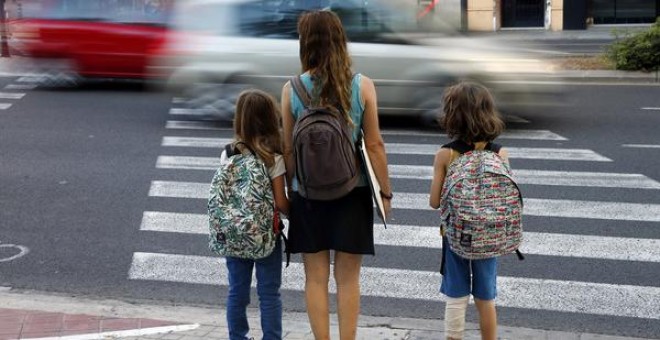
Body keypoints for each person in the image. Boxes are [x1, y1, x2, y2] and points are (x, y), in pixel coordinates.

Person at [280, 10, 392, 340]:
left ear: (305, 45)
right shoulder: (362, 87)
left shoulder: (291, 90)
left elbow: (287, 150)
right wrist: (385, 193)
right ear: (341, 42)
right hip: (352, 192)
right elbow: (375, 146)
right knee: (348, 278)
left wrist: (292, 190)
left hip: (308, 195)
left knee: (314, 277)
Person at [429, 81, 507, 340]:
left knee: (456, 293)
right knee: (486, 294)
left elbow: (434, 201)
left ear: (453, 115)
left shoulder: (446, 154)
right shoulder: (500, 153)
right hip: (489, 234)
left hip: (456, 234)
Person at [222, 89, 290, 340]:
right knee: (269, 293)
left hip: (235, 233)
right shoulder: (273, 157)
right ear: (271, 118)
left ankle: (238, 337)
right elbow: (281, 202)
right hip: (265, 235)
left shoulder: (229, 153)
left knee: (236, 291)